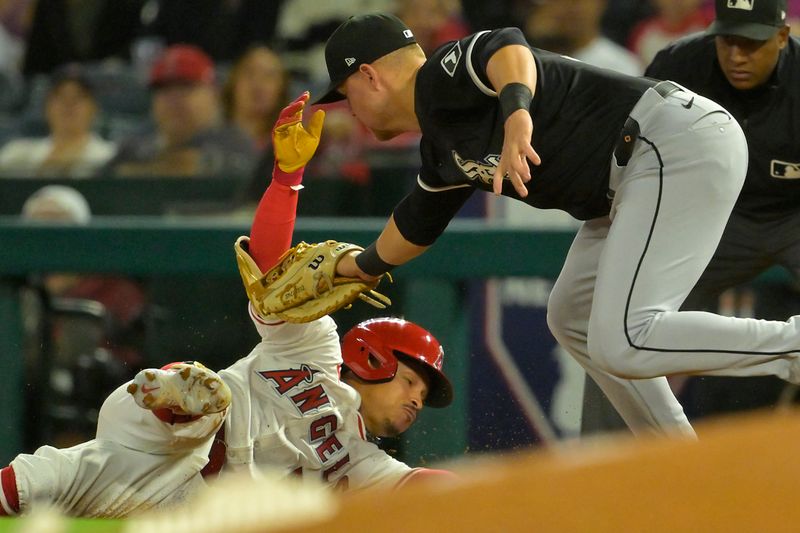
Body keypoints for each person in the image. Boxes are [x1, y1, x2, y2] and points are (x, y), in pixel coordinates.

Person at [315, 13, 800, 438]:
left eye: (345, 94)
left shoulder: (439, 78)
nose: (349, 109)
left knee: (626, 336)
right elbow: (415, 224)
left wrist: (518, 112)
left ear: (370, 76)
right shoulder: (442, 147)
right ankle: (677, 458)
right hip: (636, 175)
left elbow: (505, 45)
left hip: (667, 143)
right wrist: (358, 266)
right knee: (572, 317)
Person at [0, 93, 454, 517]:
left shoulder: (366, 464)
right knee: (209, 402)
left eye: (423, 395)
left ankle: (186, 392)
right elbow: (268, 267)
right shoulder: (314, 346)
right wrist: (285, 179)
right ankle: (180, 394)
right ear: (372, 358)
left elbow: (429, 487)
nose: (417, 399)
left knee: (41, 479)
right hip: (174, 436)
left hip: (186, 501)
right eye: (412, 381)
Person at [641, 0, 800, 415]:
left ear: (782, 37)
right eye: (727, 41)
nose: (736, 56)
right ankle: (609, 456)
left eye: (751, 44)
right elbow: (633, 154)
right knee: (620, 316)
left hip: (794, 217)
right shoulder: (680, 65)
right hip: (711, 220)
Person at [105, 44, 257, 179]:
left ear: (213, 94)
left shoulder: (234, 142)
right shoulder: (136, 148)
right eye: (164, 89)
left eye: (185, 87)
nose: (174, 99)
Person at [0, 64, 116, 178]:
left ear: (94, 107)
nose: (69, 104)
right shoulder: (18, 155)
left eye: (79, 97)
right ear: (46, 106)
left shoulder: (110, 157)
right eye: (60, 96)